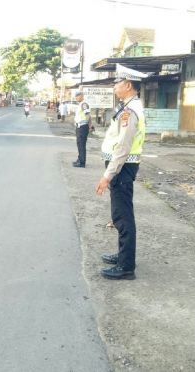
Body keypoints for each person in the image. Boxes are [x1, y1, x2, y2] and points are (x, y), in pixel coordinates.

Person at [95, 64, 148, 280]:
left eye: (117, 82)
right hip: (122, 167)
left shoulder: (130, 111)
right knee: (120, 214)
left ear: (127, 85)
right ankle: (123, 256)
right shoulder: (129, 105)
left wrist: (107, 175)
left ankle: (126, 267)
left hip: (122, 169)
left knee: (123, 216)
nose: (115, 86)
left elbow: (123, 147)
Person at [72, 91, 91, 168]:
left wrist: (89, 125)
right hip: (80, 127)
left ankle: (82, 162)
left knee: (81, 145)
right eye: (76, 96)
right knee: (79, 144)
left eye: (77, 96)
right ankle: (79, 160)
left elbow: (88, 114)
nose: (76, 97)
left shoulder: (84, 104)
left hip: (82, 127)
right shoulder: (81, 104)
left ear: (82, 96)